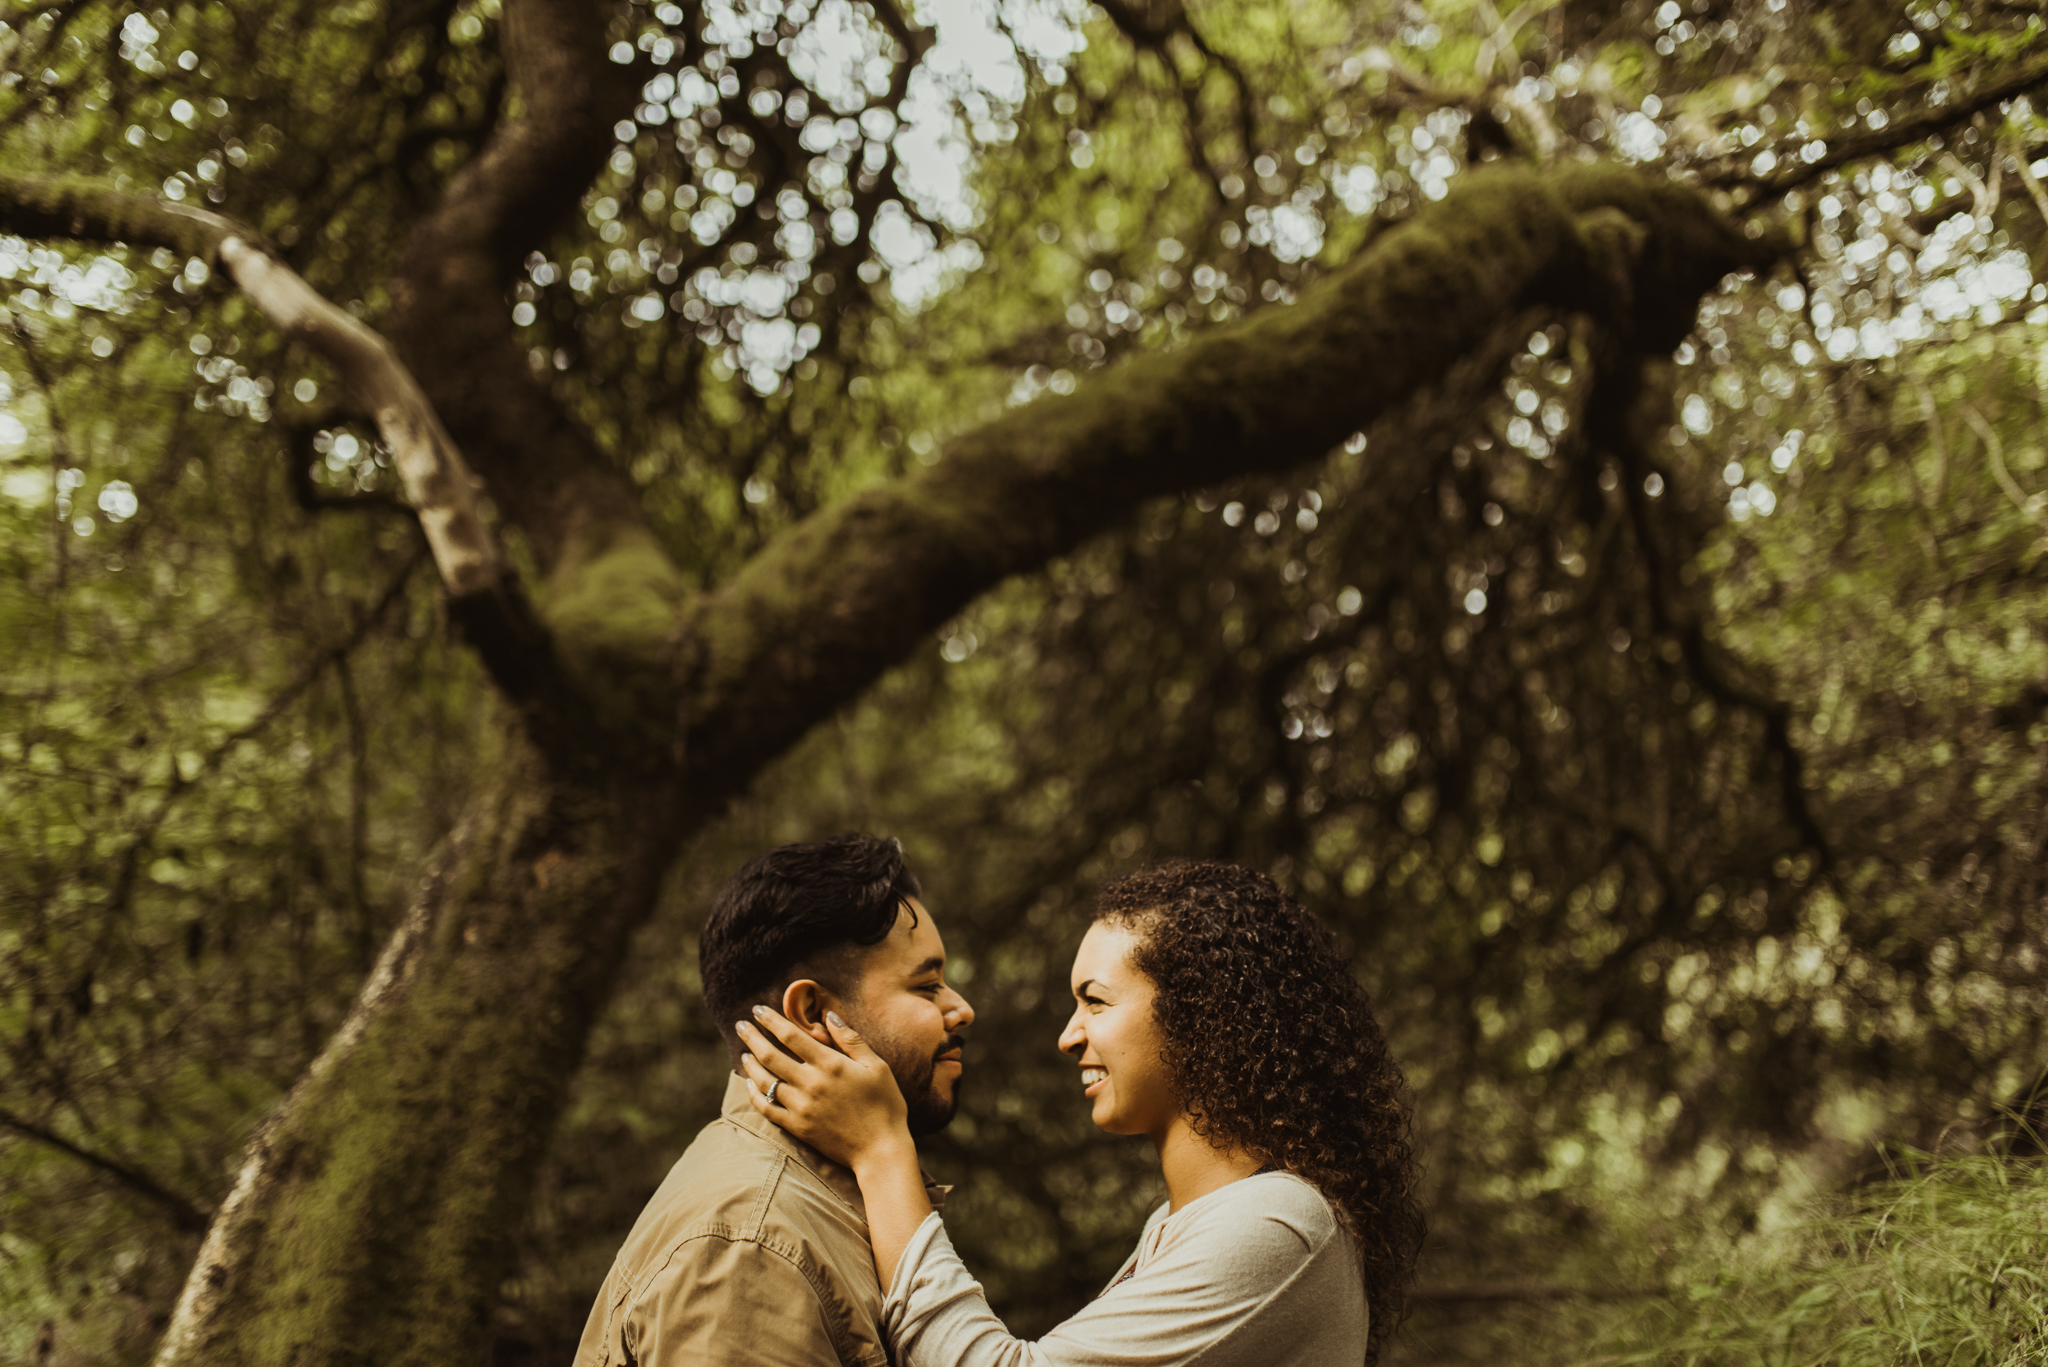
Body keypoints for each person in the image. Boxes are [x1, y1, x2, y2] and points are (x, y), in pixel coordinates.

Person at [735, 861, 1424, 1367]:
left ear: (1200, 1014)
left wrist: (883, 1149)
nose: (1069, 1035)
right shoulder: (1186, 1224)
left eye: (1095, 1000)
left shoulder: (1279, 1223)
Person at [573, 833, 975, 1367]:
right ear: (811, 1014)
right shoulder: (749, 1245)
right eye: (927, 987)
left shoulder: (822, 1204)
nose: (962, 1008)